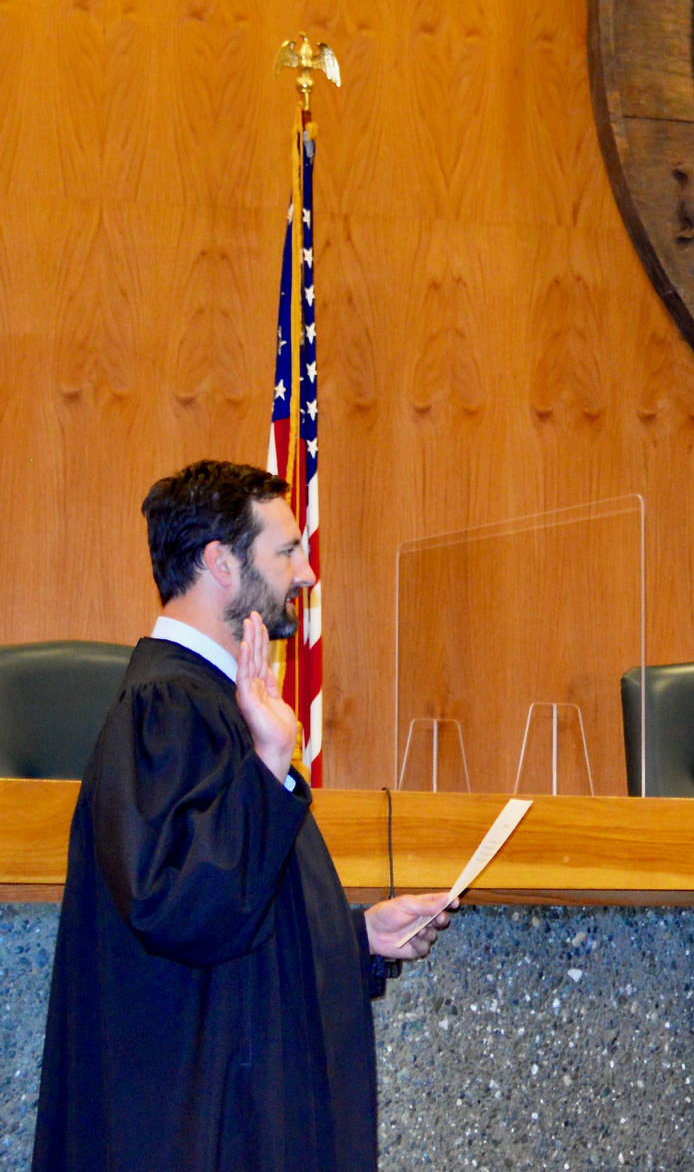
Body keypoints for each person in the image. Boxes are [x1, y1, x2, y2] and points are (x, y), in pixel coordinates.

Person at [34, 460, 456, 1172]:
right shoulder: (166, 709)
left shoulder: (217, 704)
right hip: (194, 1133)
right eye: (287, 550)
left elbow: (235, 919)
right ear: (218, 562)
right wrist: (266, 765)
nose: (308, 573)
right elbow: (178, 907)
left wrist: (357, 940)